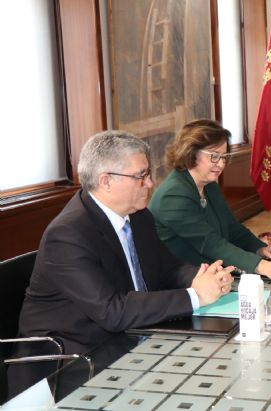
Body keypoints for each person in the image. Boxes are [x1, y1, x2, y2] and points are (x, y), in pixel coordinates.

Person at [18, 131, 234, 354]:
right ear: (106, 181)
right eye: (140, 176)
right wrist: (195, 296)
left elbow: (168, 269)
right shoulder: (68, 236)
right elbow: (112, 312)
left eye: (148, 173)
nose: (150, 183)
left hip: (134, 335)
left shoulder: (138, 215)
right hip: (74, 357)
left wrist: (205, 278)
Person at [148, 119, 271, 286]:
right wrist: (261, 266)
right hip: (180, 282)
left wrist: (260, 248)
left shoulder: (208, 184)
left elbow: (233, 229)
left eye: (224, 157)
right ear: (191, 152)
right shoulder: (173, 196)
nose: (220, 164)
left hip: (211, 273)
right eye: (214, 156)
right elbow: (212, 244)